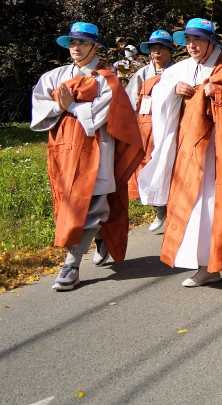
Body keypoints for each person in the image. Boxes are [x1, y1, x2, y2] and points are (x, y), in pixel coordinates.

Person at [138, 18, 222, 287]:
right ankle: (206, 266)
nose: (192, 45)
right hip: (189, 147)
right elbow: (157, 93)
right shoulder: (179, 69)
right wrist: (173, 90)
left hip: (221, 149)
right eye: (188, 40)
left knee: (220, 203)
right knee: (196, 207)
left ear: (211, 42)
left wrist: (219, 91)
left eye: (197, 40)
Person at [30, 22, 143, 291]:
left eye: (81, 43)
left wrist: (70, 106)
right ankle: (101, 238)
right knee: (70, 202)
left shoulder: (106, 79)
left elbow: (102, 114)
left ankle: (72, 264)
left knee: (91, 202)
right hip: (63, 149)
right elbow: (38, 105)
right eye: (72, 43)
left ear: (95, 46)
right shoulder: (54, 76)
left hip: (96, 148)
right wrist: (61, 106)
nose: (76, 48)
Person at [125, 29, 177, 231]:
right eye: (153, 48)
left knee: (170, 166)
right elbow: (131, 101)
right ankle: (158, 209)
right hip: (147, 128)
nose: (156, 52)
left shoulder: (177, 71)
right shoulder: (142, 74)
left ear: (169, 50)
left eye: (161, 48)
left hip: (171, 124)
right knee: (148, 166)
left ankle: (171, 208)